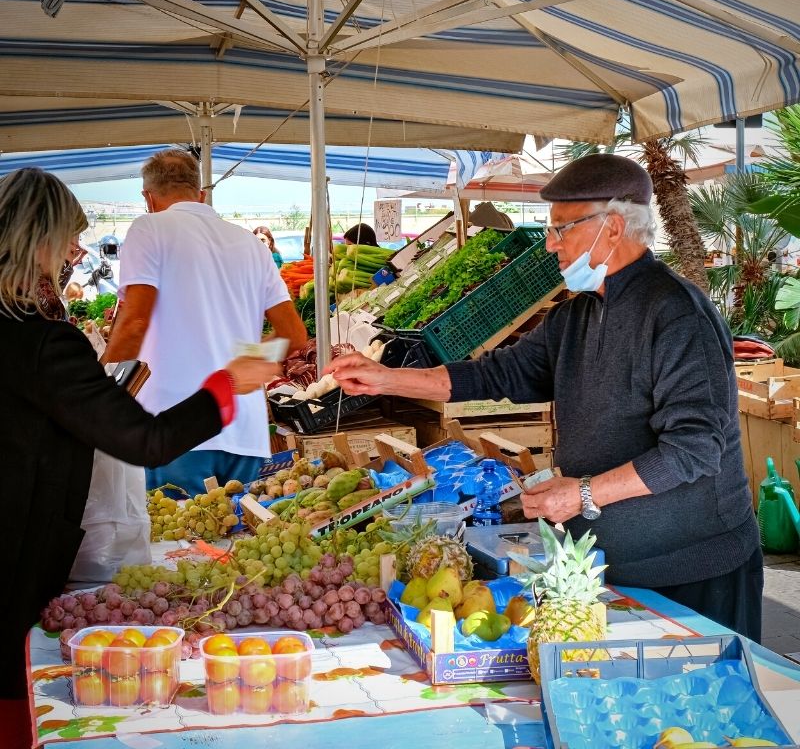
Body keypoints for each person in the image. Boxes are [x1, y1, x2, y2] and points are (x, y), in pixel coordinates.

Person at [324, 154, 762, 642]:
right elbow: (499, 373)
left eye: (562, 228)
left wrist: (584, 492)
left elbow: (694, 448)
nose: (551, 244)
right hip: (609, 564)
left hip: (691, 572)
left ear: (612, 228)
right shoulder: (578, 315)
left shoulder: (676, 316)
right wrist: (387, 380)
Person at [0, 167, 281, 747]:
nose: (75, 255)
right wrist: (227, 385)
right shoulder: (42, 341)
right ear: (41, 242)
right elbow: (143, 441)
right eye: (69, 241)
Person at [105, 149, 307, 495]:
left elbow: (134, 323)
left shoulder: (148, 228)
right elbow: (294, 335)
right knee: (238, 541)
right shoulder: (250, 243)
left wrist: (99, 397)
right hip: (243, 427)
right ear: (201, 193)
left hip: (172, 428)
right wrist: (248, 359)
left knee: (174, 543)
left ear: (148, 198)